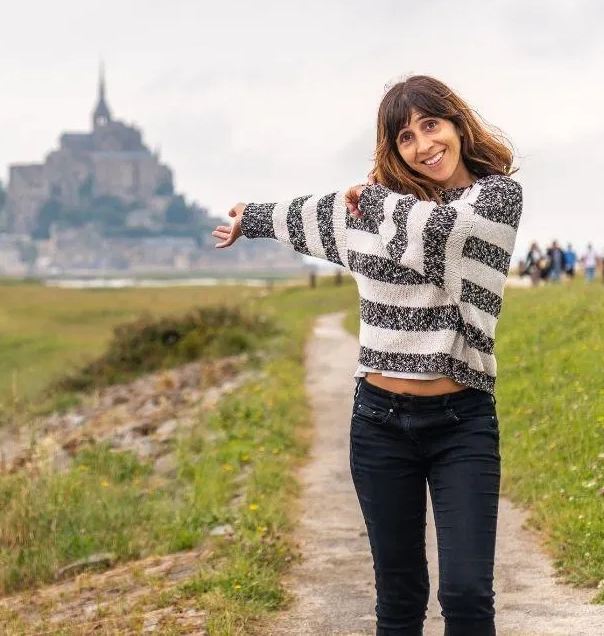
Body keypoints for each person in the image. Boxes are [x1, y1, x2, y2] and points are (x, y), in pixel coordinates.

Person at [213, 75, 521, 636]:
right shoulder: (373, 209)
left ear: (457, 124)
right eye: (405, 137)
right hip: (379, 422)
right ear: (392, 148)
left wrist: (376, 201)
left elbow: (440, 239)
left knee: (467, 594)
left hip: (463, 423)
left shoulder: (495, 197)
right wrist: (251, 218)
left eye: (432, 125)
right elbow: (313, 216)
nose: (424, 144)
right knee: (399, 600)